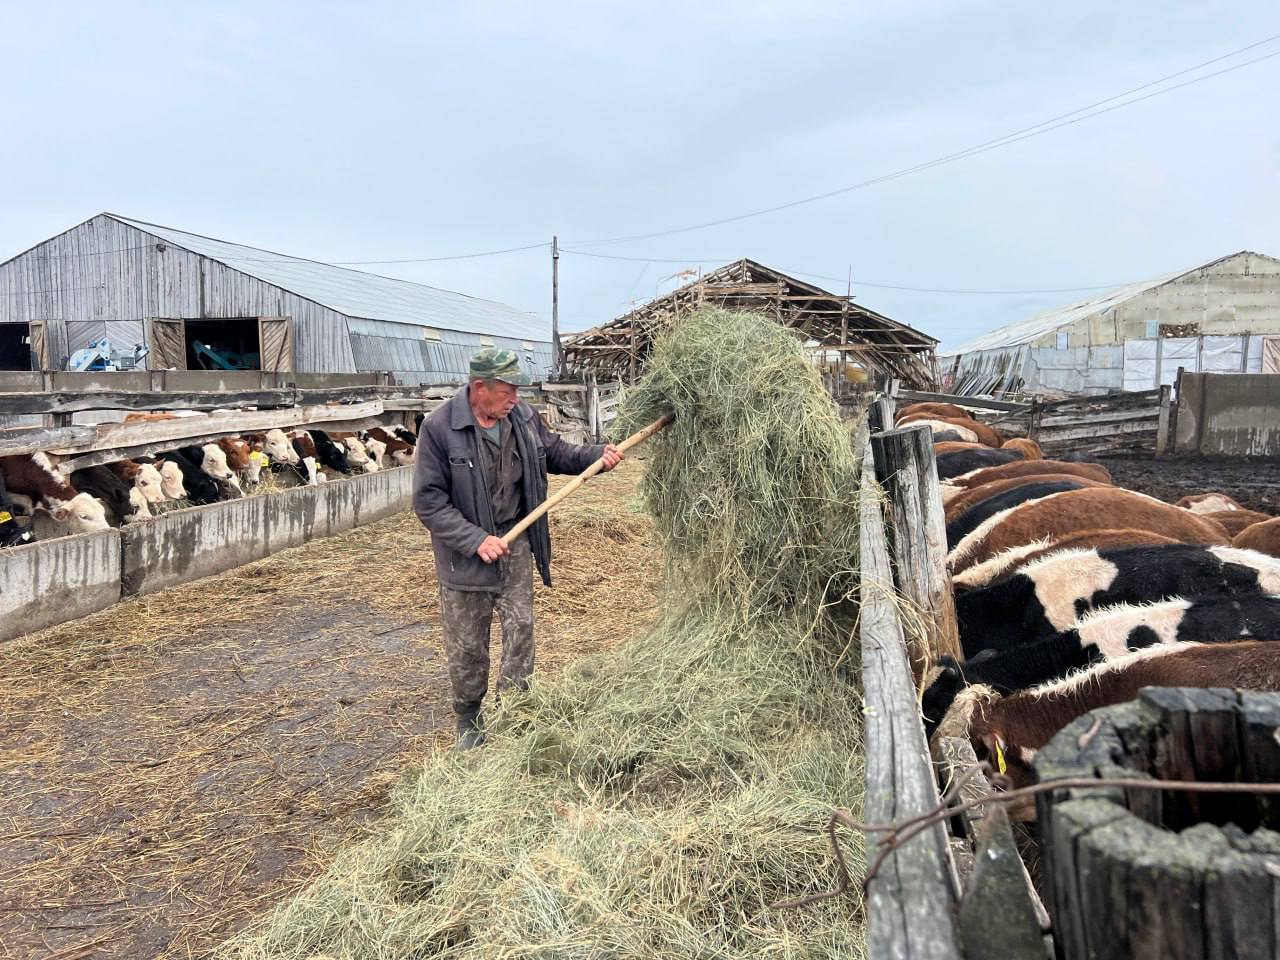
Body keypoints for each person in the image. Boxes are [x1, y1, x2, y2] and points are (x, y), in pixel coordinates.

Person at [413, 348, 623, 748]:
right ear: (480, 387)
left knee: (521, 630)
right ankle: (469, 717)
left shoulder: (522, 417)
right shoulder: (440, 428)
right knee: (468, 643)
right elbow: (429, 502)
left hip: (516, 543)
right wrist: (475, 540)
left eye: (517, 390)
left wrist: (597, 456)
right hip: (466, 556)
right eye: (508, 389)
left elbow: (557, 453)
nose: (515, 397)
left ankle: (515, 709)